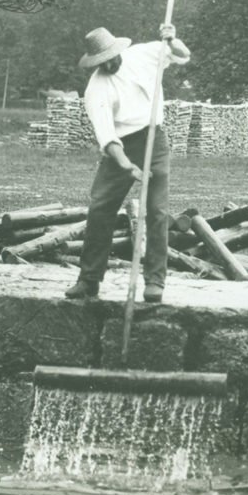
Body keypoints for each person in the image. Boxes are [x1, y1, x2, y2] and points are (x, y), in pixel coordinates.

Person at [64, 24, 190, 303]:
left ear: (119, 50)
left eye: (111, 57)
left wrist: (172, 39)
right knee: (100, 207)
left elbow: (182, 54)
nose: (109, 64)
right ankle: (89, 280)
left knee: (156, 210)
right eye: (101, 61)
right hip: (120, 147)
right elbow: (107, 137)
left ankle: (155, 281)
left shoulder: (144, 54)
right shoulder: (96, 88)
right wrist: (126, 165)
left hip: (154, 139)